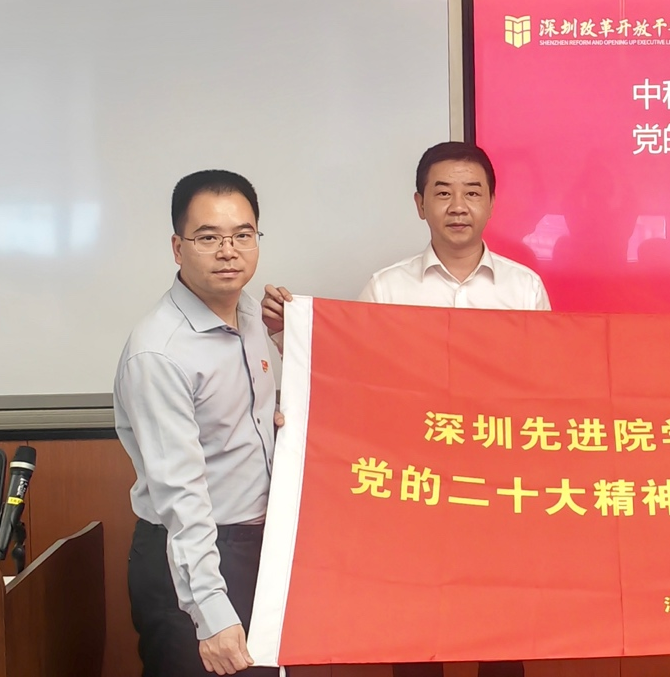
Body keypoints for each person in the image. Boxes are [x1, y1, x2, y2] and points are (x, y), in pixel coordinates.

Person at [262, 142, 545, 677]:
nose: (457, 206)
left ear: (491, 203)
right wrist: (289, 335)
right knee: (414, 631)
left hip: (498, 489)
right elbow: (350, 378)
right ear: (419, 204)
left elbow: (546, 389)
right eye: (442, 193)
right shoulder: (387, 288)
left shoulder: (524, 288)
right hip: (414, 488)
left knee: (501, 631)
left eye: (472, 193)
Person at [115, 170, 281, 677]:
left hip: (258, 547)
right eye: (208, 237)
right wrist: (210, 612)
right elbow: (181, 497)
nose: (229, 251)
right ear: (177, 247)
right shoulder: (159, 353)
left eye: (243, 234)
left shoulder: (250, 315)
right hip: (190, 558)